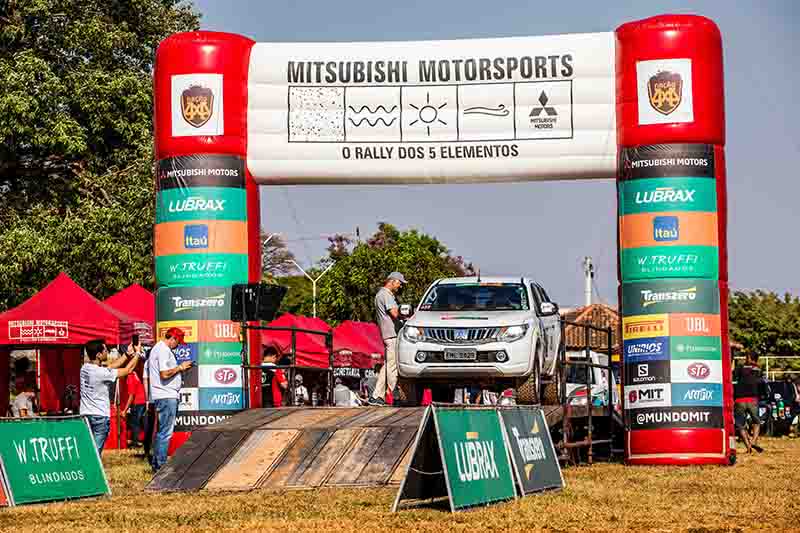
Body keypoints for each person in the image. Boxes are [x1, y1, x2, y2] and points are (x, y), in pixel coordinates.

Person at [80, 339, 139, 454]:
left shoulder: (85, 368)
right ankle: (92, 471)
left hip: (86, 415)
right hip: (100, 416)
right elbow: (129, 369)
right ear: (98, 355)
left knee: (87, 450)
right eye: (105, 350)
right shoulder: (100, 373)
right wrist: (137, 354)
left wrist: (127, 354)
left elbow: (111, 367)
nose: (108, 352)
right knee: (95, 453)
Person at [148, 328, 192, 472]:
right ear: (172, 338)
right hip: (166, 395)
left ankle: (156, 464)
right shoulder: (163, 350)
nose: (178, 345)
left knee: (162, 432)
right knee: (165, 433)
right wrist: (180, 367)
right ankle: (160, 466)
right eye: (178, 342)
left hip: (164, 395)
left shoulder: (160, 349)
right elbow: (164, 374)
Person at [369, 272, 406, 406]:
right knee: (392, 366)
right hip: (391, 335)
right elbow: (395, 313)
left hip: (387, 334)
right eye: (399, 283)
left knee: (387, 365)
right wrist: (408, 314)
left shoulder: (380, 294)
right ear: (392, 281)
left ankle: (376, 396)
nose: (400, 286)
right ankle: (396, 397)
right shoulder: (386, 295)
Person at [733, 352, 767, 454]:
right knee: (756, 422)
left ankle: (748, 447)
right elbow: (762, 384)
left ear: (749, 358)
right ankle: (754, 441)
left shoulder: (740, 367)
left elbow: (733, 376)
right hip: (753, 400)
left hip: (739, 400)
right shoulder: (759, 370)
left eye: (746, 357)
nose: (744, 359)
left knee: (740, 425)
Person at [123, 339, 146, 448]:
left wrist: (124, 410)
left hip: (137, 402)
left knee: (135, 423)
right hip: (144, 401)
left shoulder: (131, 376)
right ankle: (143, 441)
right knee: (141, 422)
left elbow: (131, 395)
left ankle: (136, 442)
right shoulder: (139, 375)